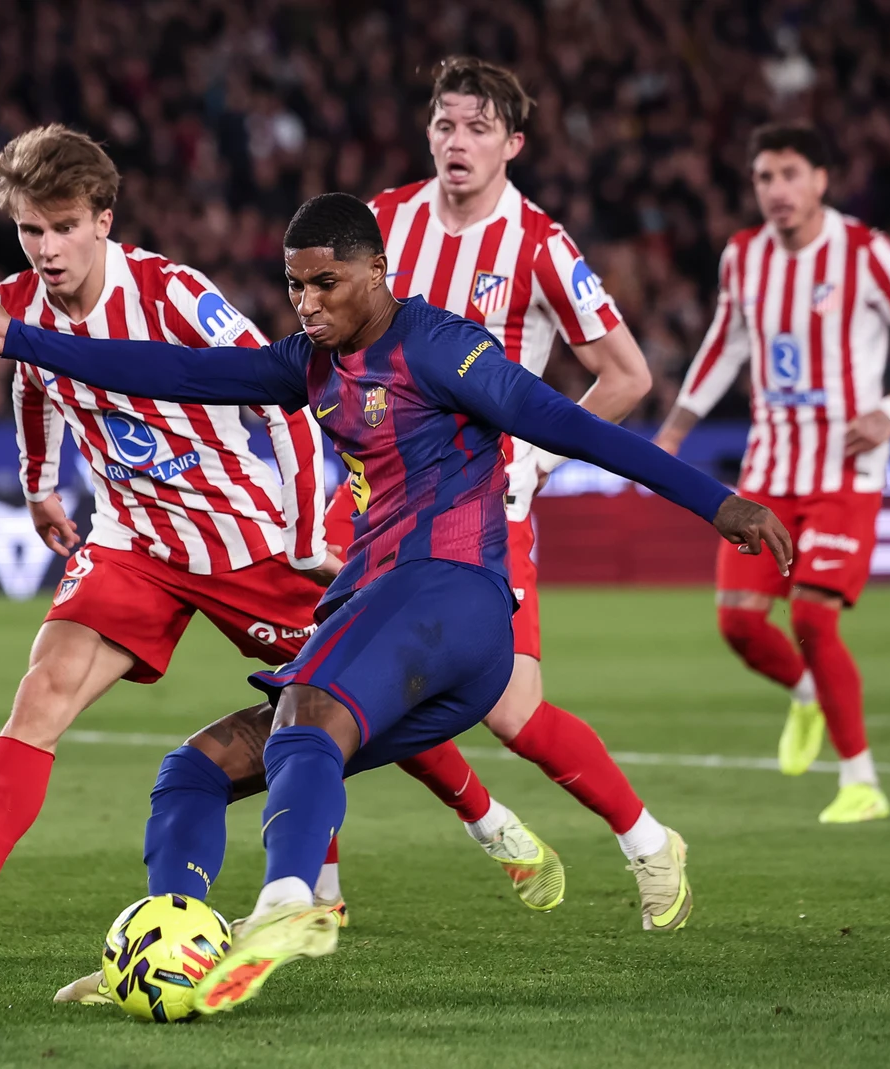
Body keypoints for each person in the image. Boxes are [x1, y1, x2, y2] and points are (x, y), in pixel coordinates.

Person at [0, 192, 790, 1014]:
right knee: (190, 773)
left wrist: (720, 504)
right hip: (378, 610)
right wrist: (20, 337)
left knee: (309, 711)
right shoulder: (309, 362)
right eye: (295, 285)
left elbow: (575, 425)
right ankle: (173, 944)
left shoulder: (441, 348)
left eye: (325, 283)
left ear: (376, 271)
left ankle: (285, 903)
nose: (306, 303)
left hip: (457, 599)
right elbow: (181, 370)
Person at [0, 126, 529, 972]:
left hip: (242, 540)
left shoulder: (176, 293)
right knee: (41, 693)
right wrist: (39, 482)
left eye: (62, 226)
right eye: (31, 230)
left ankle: (486, 816)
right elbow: (30, 381)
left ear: (103, 219)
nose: (45, 248)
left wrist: (297, 533)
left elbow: (290, 398)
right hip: (133, 540)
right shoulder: (18, 304)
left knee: (344, 701)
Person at [185, 56, 691, 930]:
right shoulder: (383, 221)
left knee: (511, 711)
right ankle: (319, 899)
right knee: (317, 688)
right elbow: (318, 344)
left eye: (478, 128)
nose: (458, 143)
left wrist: (534, 462)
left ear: (513, 144)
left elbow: (627, 374)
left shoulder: (539, 244)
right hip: (372, 506)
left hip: (479, 510)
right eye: (445, 125)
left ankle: (647, 839)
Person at [655, 123, 890, 824]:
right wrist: (674, 430)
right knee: (737, 624)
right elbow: (723, 344)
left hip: (845, 469)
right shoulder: (744, 256)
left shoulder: (868, 254)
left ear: (821, 179)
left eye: (788, 174)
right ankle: (808, 696)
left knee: (812, 616)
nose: (775, 190)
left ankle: (861, 780)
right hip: (769, 469)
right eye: (762, 177)